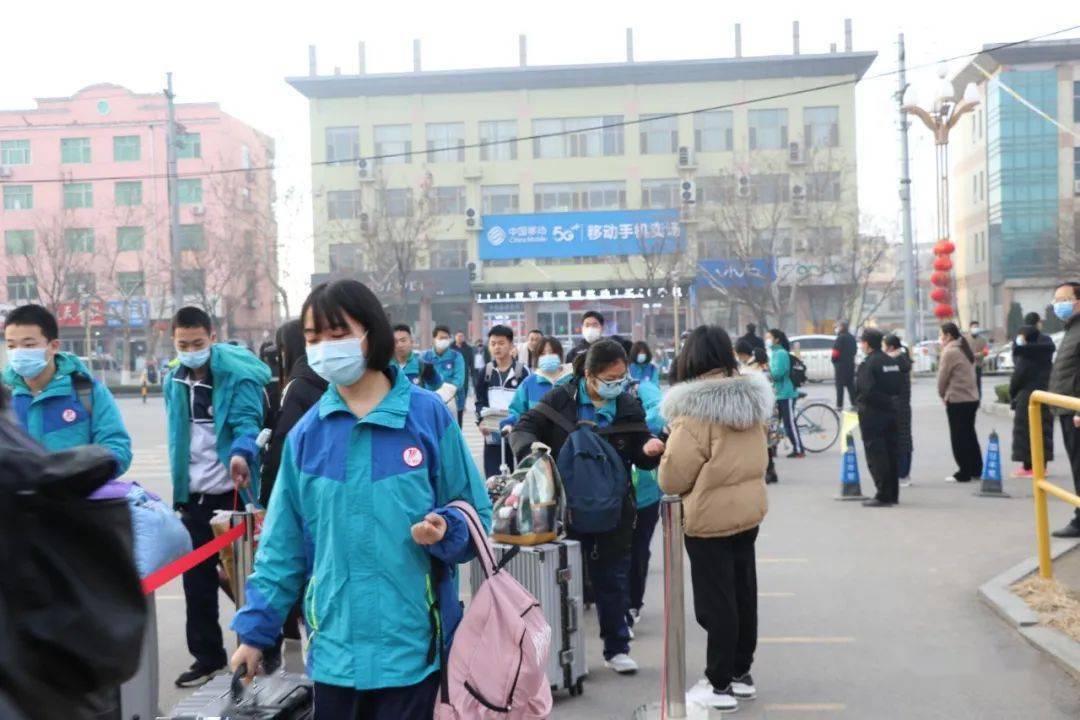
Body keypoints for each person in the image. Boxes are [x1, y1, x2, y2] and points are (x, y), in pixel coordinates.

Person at [230, 279, 492, 716]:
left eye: (338, 335)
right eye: (313, 338)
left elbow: (476, 515)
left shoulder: (426, 418)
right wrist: (255, 633)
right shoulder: (306, 436)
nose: (324, 347)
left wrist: (448, 527)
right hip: (335, 656)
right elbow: (281, 550)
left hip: (414, 656)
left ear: (372, 334)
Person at [511, 339, 664, 675]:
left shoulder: (626, 404)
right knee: (562, 583)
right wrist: (532, 449)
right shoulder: (561, 398)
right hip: (565, 508)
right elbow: (524, 427)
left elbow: (639, 451)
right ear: (591, 375)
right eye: (610, 378)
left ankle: (616, 647)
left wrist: (651, 450)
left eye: (622, 377)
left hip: (614, 507)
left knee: (612, 578)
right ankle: (560, 657)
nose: (617, 384)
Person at [659, 325, 772, 712]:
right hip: (747, 511)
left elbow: (673, 476)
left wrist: (664, 448)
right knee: (743, 592)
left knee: (715, 602)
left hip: (709, 517)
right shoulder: (752, 401)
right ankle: (741, 673)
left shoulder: (694, 410)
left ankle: (719, 683)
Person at [165, 306, 272, 687]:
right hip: (193, 497)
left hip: (232, 493)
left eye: (198, 342)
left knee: (244, 581)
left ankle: (261, 648)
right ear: (174, 342)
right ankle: (207, 657)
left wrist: (241, 453)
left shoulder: (236, 377)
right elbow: (180, 439)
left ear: (212, 337)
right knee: (196, 582)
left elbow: (247, 423)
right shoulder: (173, 380)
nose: (191, 349)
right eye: (183, 344)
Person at [2, 304, 132, 479]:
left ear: (54, 346)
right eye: (11, 346)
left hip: (76, 500)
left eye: (29, 345)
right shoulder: (3, 396)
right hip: (17, 503)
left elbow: (116, 447)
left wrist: (82, 478)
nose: (18, 353)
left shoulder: (88, 391)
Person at [855, 330, 904, 506]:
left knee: (877, 455)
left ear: (867, 344)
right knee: (891, 453)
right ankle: (893, 494)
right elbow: (899, 386)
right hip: (891, 413)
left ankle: (883, 494)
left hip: (872, 414)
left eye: (862, 342)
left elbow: (866, 391)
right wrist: (889, 402)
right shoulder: (891, 361)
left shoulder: (868, 364)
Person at [475, 325, 529, 478]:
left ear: (511, 345)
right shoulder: (485, 372)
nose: (497, 347)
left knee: (519, 480)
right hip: (492, 435)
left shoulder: (522, 372)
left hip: (516, 433)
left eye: (501, 343)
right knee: (494, 481)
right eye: (493, 343)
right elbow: (480, 401)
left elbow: (527, 403)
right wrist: (481, 421)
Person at [1049, 282, 1080, 537]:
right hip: (1067, 408)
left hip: (1076, 411)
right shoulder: (1072, 329)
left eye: (1063, 299)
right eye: (1055, 300)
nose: (1057, 304)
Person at [1010, 313, 1056, 478]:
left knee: (1029, 431)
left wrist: (1012, 393)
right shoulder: (1045, 344)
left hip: (1028, 394)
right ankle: (1036, 466)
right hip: (1043, 391)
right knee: (1040, 430)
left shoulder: (1025, 352)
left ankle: (1033, 467)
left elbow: (1018, 374)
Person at [937, 322, 983, 483]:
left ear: (948, 335)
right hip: (971, 398)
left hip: (957, 399)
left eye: (941, 335)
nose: (940, 339)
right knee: (970, 434)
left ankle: (964, 472)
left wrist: (942, 394)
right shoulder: (964, 347)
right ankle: (976, 468)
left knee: (959, 437)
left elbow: (943, 377)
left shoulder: (950, 351)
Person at [503, 336, 573, 428]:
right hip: (538, 439)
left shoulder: (573, 380)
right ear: (537, 357)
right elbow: (517, 410)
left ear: (560, 354)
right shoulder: (529, 383)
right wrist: (509, 424)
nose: (547, 356)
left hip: (570, 438)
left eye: (552, 352)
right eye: (542, 354)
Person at [736, 340, 779, 484]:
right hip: (769, 408)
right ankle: (770, 471)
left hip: (763, 410)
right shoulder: (756, 365)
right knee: (766, 442)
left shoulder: (751, 369)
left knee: (764, 442)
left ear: (742, 354)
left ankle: (769, 472)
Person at [765, 328, 803, 458]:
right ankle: (772, 449)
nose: (767, 340)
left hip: (786, 392)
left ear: (776, 339)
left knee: (789, 423)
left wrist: (768, 372)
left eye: (769, 337)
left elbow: (778, 373)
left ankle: (799, 449)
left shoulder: (780, 353)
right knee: (774, 423)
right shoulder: (775, 353)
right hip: (778, 393)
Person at [884, 334, 914, 486]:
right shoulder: (903, 360)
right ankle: (905, 474)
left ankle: (901, 474)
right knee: (906, 439)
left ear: (890, 347)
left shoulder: (894, 362)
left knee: (899, 441)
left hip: (896, 405)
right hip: (904, 405)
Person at [422, 325, 467, 427]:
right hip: (429, 403)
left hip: (453, 402)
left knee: (454, 435)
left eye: (446, 338)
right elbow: (421, 382)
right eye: (441, 338)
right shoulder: (424, 357)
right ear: (434, 339)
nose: (444, 340)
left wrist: (444, 393)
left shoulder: (456, 356)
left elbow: (459, 380)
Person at [392, 324, 443, 392]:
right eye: (395, 342)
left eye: (403, 340)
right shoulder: (384, 367)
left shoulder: (421, 365)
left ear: (411, 342)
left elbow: (436, 386)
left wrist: (431, 374)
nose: (400, 345)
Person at [831, 320, 857, 410]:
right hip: (850, 364)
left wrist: (834, 361)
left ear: (842, 327)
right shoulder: (851, 337)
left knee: (839, 386)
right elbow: (855, 351)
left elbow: (836, 352)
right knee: (851, 384)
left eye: (838, 326)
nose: (837, 328)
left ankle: (839, 405)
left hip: (840, 365)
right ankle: (854, 403)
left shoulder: (840, 338)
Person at [452, 330, 475, 404]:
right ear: (455, 337)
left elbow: (471, 361)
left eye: (461, 336)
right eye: (458, 336)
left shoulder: (468, 349)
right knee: (452, 387)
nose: (460, 338)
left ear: (464, 338)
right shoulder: (450, 348)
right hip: (452, 371)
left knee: (464, 387)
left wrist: (472, 372)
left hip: (464, 371)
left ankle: (463, 403)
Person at [968, 320, 988, 401]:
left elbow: (986, 351)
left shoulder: (983, 339)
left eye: (977, 327)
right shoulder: (965, 339)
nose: (975, 328)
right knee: (969, 383)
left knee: (978, 383)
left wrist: (979, 354)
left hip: (978, 364)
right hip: (968, 365)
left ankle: (978, 399)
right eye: (974, 327)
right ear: (970, 328)